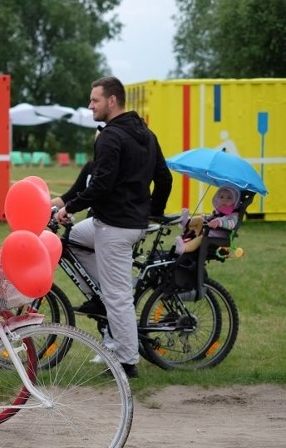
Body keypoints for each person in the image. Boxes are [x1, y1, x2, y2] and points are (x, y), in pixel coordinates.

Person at [54, 76, 172, 378]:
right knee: (76, 238)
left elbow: (102, 184)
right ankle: (103, 290)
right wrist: (152, 214)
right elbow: (165, 178)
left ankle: (126, 361)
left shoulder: (110, 136)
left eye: (95, 100)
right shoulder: (146, 133)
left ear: (112, 101)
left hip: (115, 227)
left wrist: (69, 207)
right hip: (120, 223)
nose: (90, 105)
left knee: (118, 296)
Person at [174, 186, 240, 255]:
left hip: (217, 238)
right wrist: (205, 217)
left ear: (235, 201)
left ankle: (184, 248)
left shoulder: (233, 215)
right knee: (200, 219)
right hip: (207, 232)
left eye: (229, 198)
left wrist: (219, 223)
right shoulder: (218, 211)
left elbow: (232, 224)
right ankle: (186, 222)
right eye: (221, 197)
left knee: (201, 238)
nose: (224, 200)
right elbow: (211, 218)